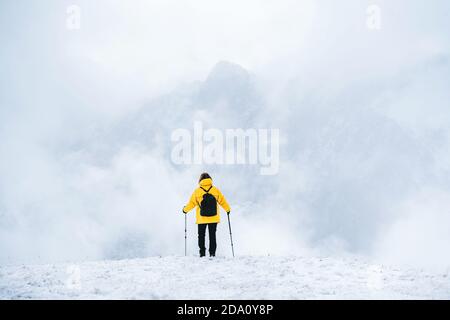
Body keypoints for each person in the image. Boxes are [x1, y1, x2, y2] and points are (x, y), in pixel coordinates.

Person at [183, 173, 231, 257]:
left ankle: (202, 253)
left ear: (200, 180)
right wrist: (227, 209)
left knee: (201, 236)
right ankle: (212, 253)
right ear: (210, 179)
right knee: (212, 235)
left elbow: (191, 203)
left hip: (201, 218)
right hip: (214, 217)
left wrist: (185, 210)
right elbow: (222, 201)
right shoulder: (215, 190)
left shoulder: (197, 191)